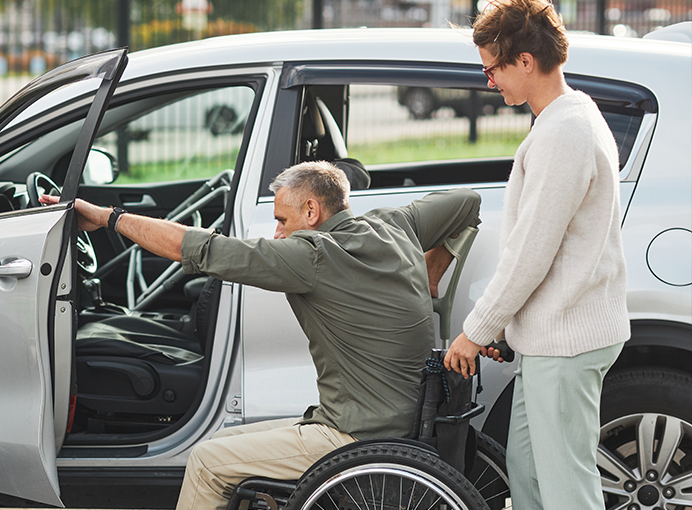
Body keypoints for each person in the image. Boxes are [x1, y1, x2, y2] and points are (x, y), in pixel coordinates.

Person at [47, 160, 481, 510]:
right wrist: (434, 266)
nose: (277, 232)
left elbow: (194, 248)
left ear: (312, 212)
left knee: (204, 462)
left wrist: (108, 217)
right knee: (221, 442)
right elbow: (468, 201)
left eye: (282, 219)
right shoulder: (394, 224)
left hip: (356, 435)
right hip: (403, 417)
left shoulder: (310, 256)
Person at [443, 1, 630, 508]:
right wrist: (505, 328)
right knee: (528, 473)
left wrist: (475, 331)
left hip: (567, 342)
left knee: (566, 488)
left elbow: (531, 252)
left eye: (491, 68)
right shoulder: (568, 118)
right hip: (553, 338)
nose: (488, 81)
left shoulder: (564, 132)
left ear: (524, 60)